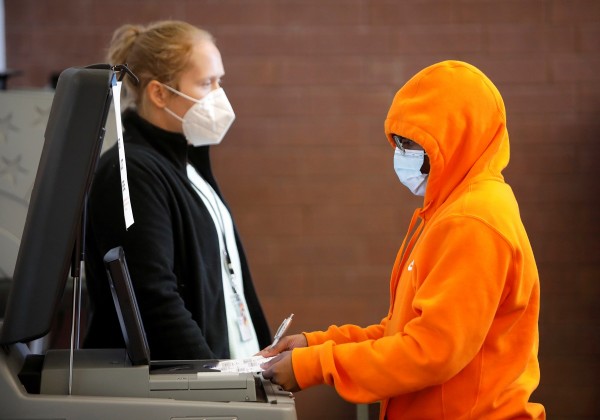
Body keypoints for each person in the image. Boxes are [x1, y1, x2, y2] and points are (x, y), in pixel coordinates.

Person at [260, 60, 545, 419]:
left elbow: (430, 352)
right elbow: (404, 332)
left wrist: (313, 365)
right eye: (399, 142)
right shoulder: (454, 209)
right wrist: (313, 344)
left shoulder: (471, 220)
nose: (402, 154)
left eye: (414, 142)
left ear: (460, 136)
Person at [83, 20, 271, 361]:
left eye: (220, 81)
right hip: (181, 392)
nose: (219, 95)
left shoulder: (187, 166)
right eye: (205, 83)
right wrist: (212, 383)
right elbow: (154, 298)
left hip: (228, 374)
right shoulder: (131, 173)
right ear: (159, 93)